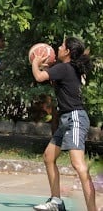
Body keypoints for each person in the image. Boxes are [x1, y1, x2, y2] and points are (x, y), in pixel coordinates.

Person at [32, 37, 97, 211]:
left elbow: (39, 77)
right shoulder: (68, 68)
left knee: (78, 165)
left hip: (75, 118)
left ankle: (92, 208)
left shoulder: (65, 68)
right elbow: (52, 75)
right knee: (49, 157)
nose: (58, 48)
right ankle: (56, 202)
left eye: (61, 46)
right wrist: (45, 66)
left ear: (67, 51)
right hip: (67, 119)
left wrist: (35, 61)